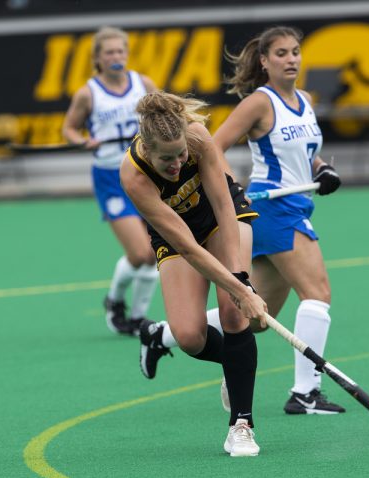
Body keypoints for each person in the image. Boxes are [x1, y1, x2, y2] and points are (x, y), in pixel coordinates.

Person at [138, 26, 344, 416]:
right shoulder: (259, 103)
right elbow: (211, 148)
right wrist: (232, 186)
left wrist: (321, 169)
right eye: (281, 53)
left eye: (296, 51)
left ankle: (161, 334)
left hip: (298, 204)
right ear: (264, 61)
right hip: (272, 211)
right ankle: (305, 393)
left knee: (257, 317)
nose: (291, 59)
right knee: (317, 294)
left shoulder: (305, 99)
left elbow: (306, 152)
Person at [120, 90, 268, 456]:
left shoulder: (199, 138)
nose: (176, 163)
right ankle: (165, 339)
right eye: (166, 159)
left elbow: (222, 205)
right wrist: (236, 285)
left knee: (234, 313)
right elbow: (187, 247)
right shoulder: (134, 178)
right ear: (148, 152)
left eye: (180, 154)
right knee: (188, 336)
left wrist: (240, 281)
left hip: (221, 218)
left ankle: (241, 425)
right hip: (179, 234)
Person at [62, 26, 159, 336]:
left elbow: (162, 116)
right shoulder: (88, 93)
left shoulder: (143, 84)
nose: (117, 57)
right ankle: (115, 300)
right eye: (110, 52)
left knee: (157, 251)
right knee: (140, 253)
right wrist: (81, 141)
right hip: (110, 177)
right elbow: (69, 129)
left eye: (121, 51)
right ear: (98, 58)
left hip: (145, 173)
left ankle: (138, 318)